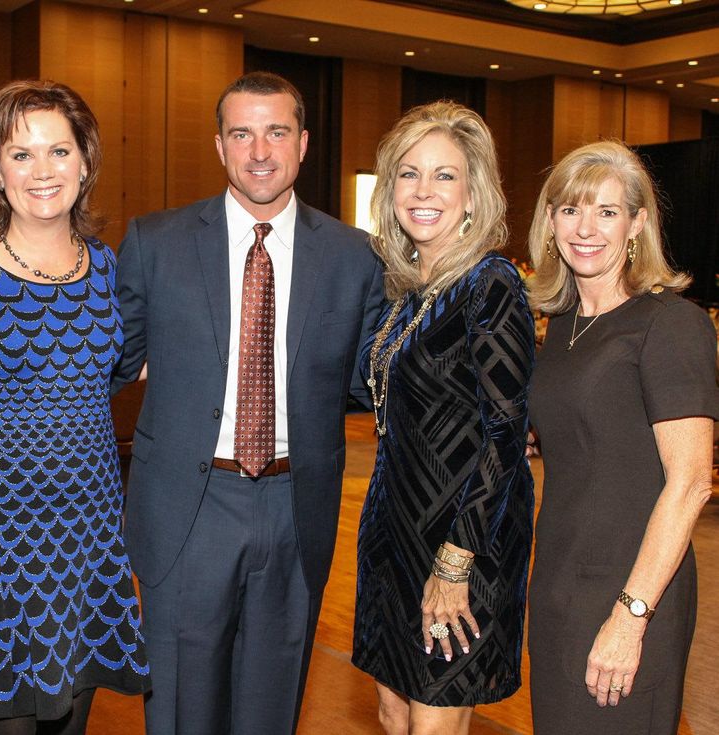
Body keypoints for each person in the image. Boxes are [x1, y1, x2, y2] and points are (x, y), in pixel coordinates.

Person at [111, 71, 385, 734]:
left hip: (297, 511)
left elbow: (380, 380)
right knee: (181, 710)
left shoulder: (357, 257)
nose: (260, 150)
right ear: (219, 145)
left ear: (303, 142)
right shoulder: (156, 243)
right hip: (187, 510)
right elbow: (104, 365)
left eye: (276, 131)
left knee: (271, 706)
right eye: (242, 133)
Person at [0, 80, 150, 734]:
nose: (42, 170)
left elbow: (129, 365)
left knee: (73, 722)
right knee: (8, 724)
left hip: (89, 536)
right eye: (20, 154)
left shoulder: (109, 268)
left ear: (86, 161)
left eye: (59, 150)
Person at [352, 102, 535, 735]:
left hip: (462, 541)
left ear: (473, 193)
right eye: (408, 174)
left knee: (434, 722)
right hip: (391, 533)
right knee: (392, 712)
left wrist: (455, 564)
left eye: (445, 175)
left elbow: (506, 437)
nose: (423, 191)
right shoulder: (406, 292)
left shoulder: (490, 284)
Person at [526, 141, 717, 734]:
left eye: (607, 212)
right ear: (550, 220)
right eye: (570, 209)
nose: (586, 228)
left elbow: (688, 486)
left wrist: (631, 617)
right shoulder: (561, 326)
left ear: (638, 224)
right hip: (557, 582)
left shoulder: (671, 324)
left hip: (632, 591)